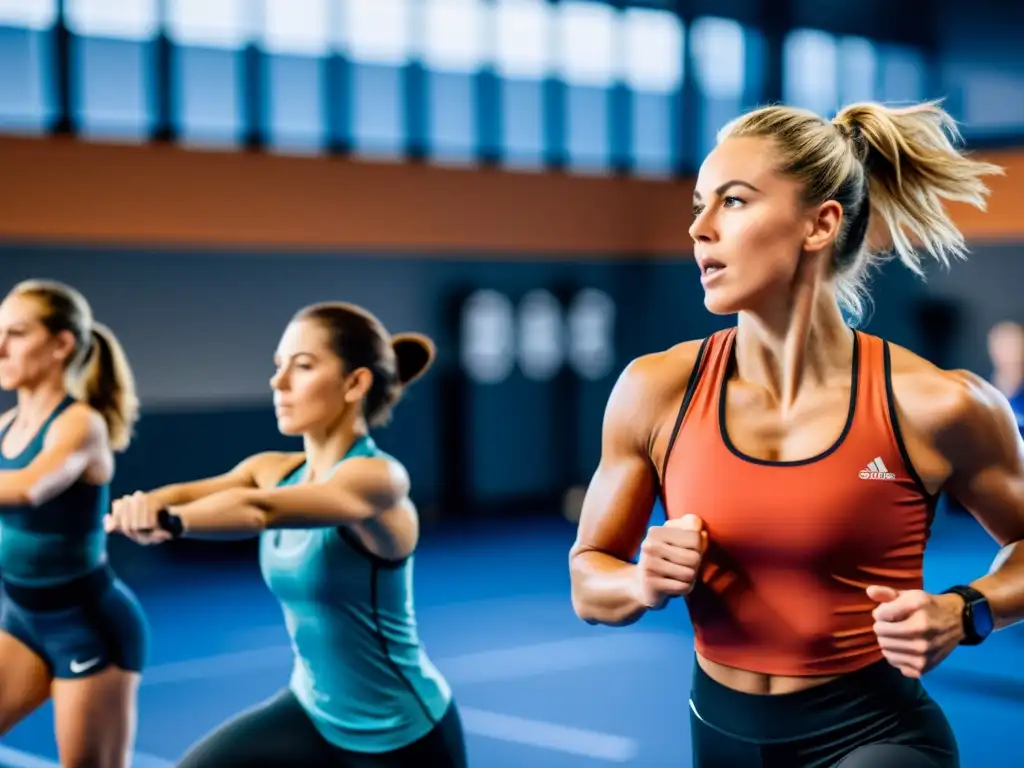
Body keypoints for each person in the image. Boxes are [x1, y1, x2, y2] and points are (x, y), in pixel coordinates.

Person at [569, 100, 1024, 768]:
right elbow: (589, 579)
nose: (699, 228)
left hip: (874, 737)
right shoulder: (655, 390)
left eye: (733, 201)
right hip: (719, 735)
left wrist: (967, 610)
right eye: (698, 204)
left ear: (821, 223)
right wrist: (641, 581)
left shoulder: (936, 403)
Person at [106, 301, 467, 768]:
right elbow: (186, 492)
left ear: (355, 383)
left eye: (302, 366)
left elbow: (258, 511)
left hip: (402, 737)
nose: (278, 383)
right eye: (278, 367)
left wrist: (175, 523)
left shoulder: (379, 481)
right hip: (313, 714)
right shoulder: (271, 469)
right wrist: (143, 506)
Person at [0, 279, 147, 767]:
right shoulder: (4, 426)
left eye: (16, 334)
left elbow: (27, 489)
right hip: (20, 618)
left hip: (87, 626)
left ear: (61, 344)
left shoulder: (80, 424)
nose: (0, 347)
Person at [987, 320, 1024, 431]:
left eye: (1017, 346)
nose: (1013, 355)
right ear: (993, 350)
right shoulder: (979, 396)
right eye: (1005, 347)